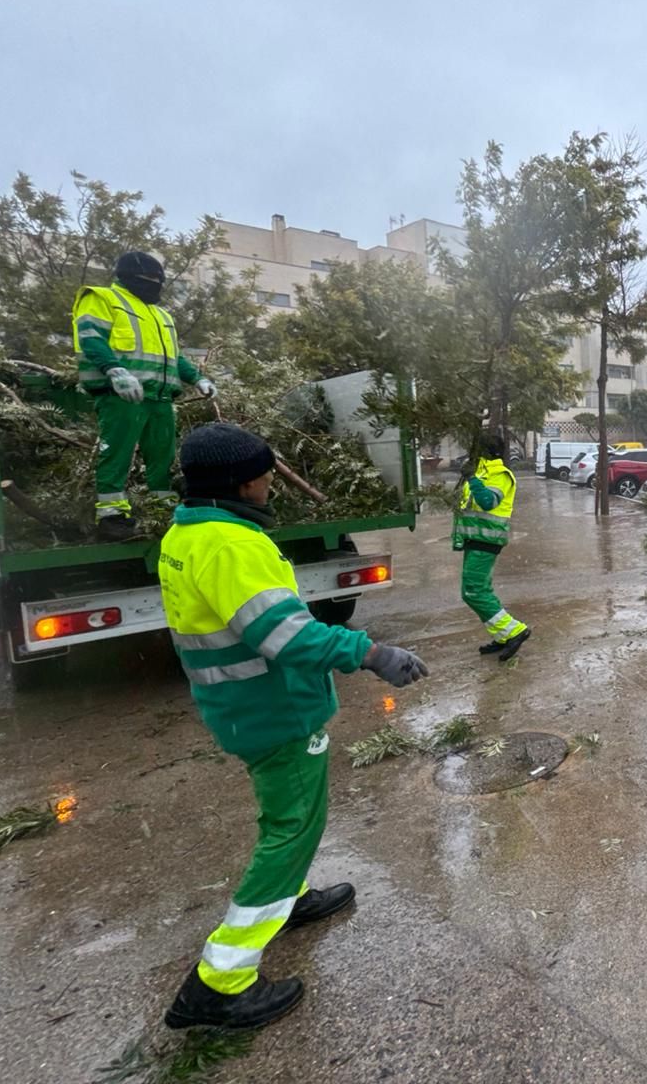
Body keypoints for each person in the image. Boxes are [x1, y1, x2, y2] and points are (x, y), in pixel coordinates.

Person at [157, 423, 429, 1030]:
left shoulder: (188, 532)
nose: (269, 486)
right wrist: (371, 652)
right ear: (241, 484)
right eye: (264, 477)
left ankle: (291, 898)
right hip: (275, 708)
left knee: (287, 814)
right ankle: (219, 982)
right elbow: (287, 636)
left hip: (241, 704)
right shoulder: (231, 546)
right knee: (292, 827)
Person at [71, 250, 217, 540]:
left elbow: (174, 357)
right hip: (122, 395)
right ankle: (111, 515)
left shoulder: (160, 314)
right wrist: (114, 370)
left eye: (158, 280)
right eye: (150, 279)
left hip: (160, 397)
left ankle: (161, 510)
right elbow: (91, 338)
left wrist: (197, 378)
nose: (155, 285)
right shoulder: (102, 298)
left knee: (162, 454)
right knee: (117, 452)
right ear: (129, 277)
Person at [454, 432, 530, 660]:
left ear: (484, 452)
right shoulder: (480, 472)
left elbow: (488, 502)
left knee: (473, 592)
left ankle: (515, 631)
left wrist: (471, 478)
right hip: (474, 539)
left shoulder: (501, 475)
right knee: (479, 590)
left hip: (486, 540)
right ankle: (502, 635)